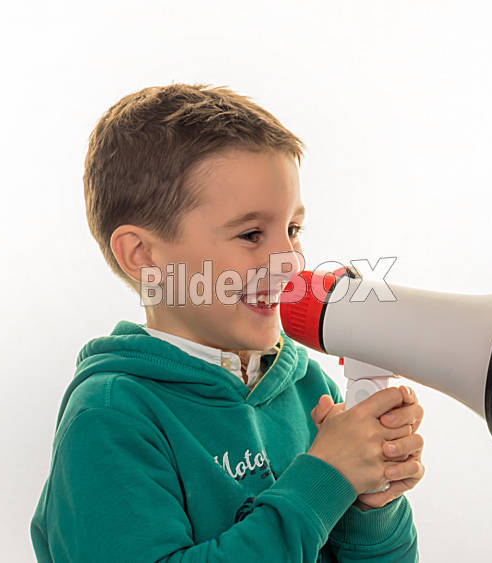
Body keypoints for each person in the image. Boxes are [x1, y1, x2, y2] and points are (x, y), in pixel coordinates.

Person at [30, 83, 426, 562]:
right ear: (144, 255)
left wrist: (369, 502)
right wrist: (324, 480)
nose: (290, 261)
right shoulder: (111, 417)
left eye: (293, 229)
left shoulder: (308, 389)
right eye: (251, 233)